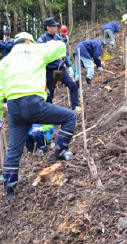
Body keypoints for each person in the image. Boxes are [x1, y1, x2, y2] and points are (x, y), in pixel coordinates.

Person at [0, 32, 77, 200]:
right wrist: (61, 41)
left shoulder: (5, 61)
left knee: (13, 151)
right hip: (34, 103)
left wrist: (0, 115)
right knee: (70, 117)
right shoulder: (35, 50)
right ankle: (60, 153)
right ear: (29, 41)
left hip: (13, 108)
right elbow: (59, 47)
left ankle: (10, 191)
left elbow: (0, 91)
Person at [37, 17, 81, 112]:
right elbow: (38, 56)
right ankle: (47, 113)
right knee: (49, 94)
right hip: (49, 71)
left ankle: (75, 107)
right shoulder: (42, 40)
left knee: (73, 85)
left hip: (60, 69)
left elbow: (63, 53)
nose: (57, 27)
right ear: (48, 27)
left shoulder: (58, 38)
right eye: (54, 26)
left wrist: (69, 65)